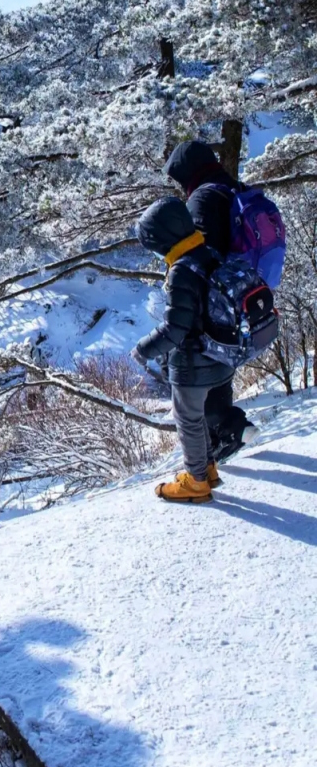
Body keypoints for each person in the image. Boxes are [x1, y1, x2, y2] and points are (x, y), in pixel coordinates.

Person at [132, 197, 234, 503]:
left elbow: (174, 329)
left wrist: (143, 350)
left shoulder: (181, 271)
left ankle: (196, 482)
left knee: (188, 418)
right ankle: (208, 468)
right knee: (199, 416)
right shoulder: (209, 254)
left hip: (193, 363)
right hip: (221, 355)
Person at [163, 139, 259, 460]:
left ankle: (229, 429)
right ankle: (228, 430)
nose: (181, 187)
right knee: (220, 360)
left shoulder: (202, 198)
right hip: (243, 294)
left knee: (197, 367)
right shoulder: (233, 186)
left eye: (180, 179)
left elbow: (198, 255)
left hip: (215, 298)